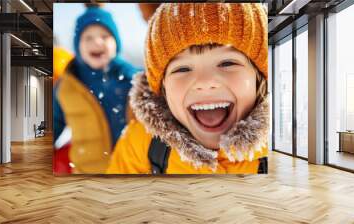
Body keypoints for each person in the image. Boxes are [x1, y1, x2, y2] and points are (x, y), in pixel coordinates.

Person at [107, 3, 269, 174]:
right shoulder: (141, 144)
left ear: (259, 77)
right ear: (163, 88)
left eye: (227, 63)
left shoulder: (283, 144)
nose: (204, 82)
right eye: (182, 69)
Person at [53, 6, 140, 173]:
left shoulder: (134, 81)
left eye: (105, 36)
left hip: (128, 170)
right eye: (88, 38)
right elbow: (54, 125)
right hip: (86, 171)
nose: (97, 42)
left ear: (116, 43)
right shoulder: (66, 87)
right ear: (78, 46)